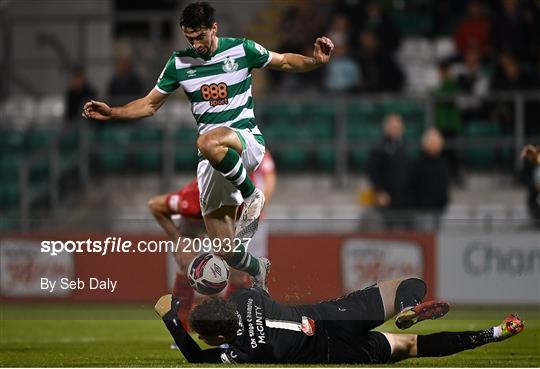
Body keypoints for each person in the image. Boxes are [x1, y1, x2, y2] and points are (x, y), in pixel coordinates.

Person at [82, 1, 333, 292]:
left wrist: (314, 61)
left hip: (246, 140)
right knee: (225, 251)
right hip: (212, 161)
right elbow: (149, 105)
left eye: (200, 36)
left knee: (206, 140)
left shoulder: (241, 50)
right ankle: (257, 267)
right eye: (189, 38)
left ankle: (252, 196)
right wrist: (112, 112)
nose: (196, 43)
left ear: (214, 28)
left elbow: (286, 61)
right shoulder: (179, 63)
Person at [154, 277, 524, 364]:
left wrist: (172, 319)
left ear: (218, 334)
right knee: (411, 284)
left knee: (409, 347)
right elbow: (258, 288)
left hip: (335, 349)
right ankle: (409, 305)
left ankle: (494, 332)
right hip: (336, 315)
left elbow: (194, 357)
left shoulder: (243, 352)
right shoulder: (243, 297)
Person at [147, 152, 277, 324]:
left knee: (237, 271)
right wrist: (177, 239)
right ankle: (180, 327)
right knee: (187, 265)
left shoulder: (246, 201)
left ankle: (231, 326)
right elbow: (155, 206)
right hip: (193, 224)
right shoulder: (190, 199)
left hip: (227, 223)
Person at [366, 114, 412, 228]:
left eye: (397, 127)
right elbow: (373, 171)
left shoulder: (406, 145)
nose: (394, 130)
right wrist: (379, 191)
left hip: (405, 198)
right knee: (388, 230)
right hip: (387, 197)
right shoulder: (379, 147)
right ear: (385, 128)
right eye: (391, 127)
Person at [409, 129, 450, 230]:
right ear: (424, 144)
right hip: (422, 211)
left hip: (439, 210)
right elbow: (411, 186)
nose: (435, 145)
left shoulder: (443, 163)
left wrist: (444, 202)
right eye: (432, 142)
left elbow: (444, 186)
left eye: (437, 142)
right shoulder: (417, 163)